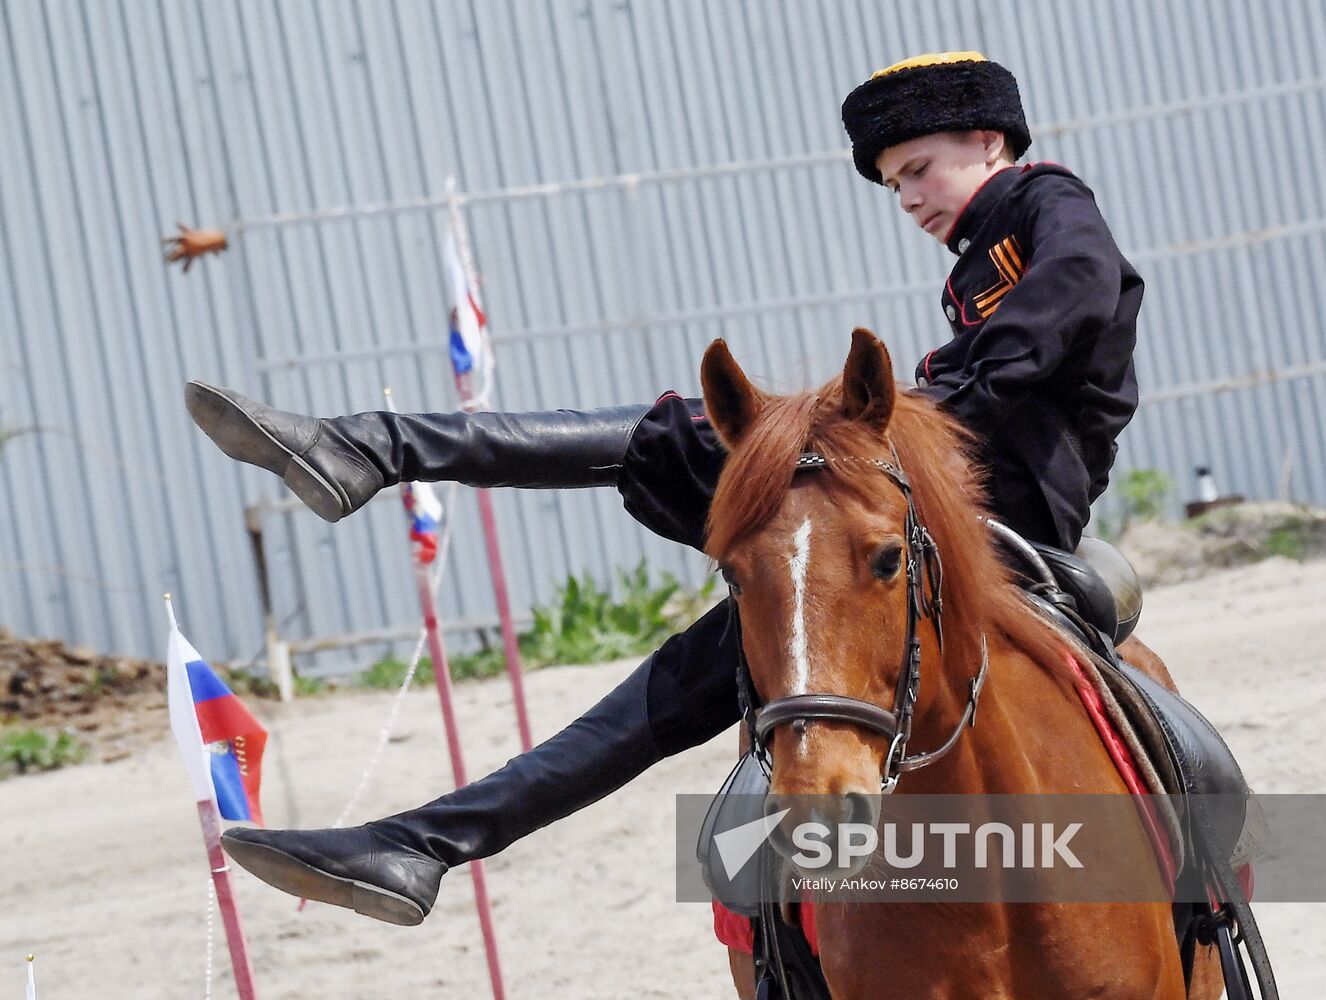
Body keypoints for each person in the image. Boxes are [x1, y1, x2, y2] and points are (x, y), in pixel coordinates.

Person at [191, 51, 1142, 927]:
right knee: (688, 475)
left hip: (997, 517)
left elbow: (1071, 299)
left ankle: (375, 463)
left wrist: (906, 414)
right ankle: (420, 833)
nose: (907, 198)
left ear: (990, 142)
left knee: (701, 466)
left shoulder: (1049, 208)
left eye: (919, 168)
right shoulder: (983, 253)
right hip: (928, 490)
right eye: (894, 184)